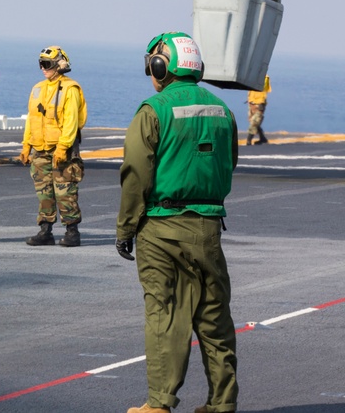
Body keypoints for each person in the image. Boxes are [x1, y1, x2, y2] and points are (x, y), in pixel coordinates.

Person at [116, 32, 238, 413]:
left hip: (161, 227)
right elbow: (228, 162)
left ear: (160, 66)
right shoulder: (223, 110)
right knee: (214, 315)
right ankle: (221, 403)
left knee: (165, 313)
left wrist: (125, 229)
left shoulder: (153, 110)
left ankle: (159, 403)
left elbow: (136, 174)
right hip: (209, 225)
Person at [18, 46, 87, 247]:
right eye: (41, 64)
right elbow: (32, 119)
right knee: (44, 192)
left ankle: (72, 232)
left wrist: (63, 147)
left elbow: (72, 121)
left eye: (46, 64)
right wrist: (26, 146)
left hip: (61, 149)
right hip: (40, 150)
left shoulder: (70, 88)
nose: (43, 68)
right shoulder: (37, 88)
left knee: (65, 191)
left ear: (59, 65)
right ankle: (45, 230)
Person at [246, 74, 271, 145]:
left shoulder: (265, 77)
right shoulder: (251, 76)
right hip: (252, 103)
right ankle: (263, 138)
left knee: (254, 123)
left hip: (259, 103)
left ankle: (248, 140)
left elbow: (265, 86)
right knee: (254, 122)